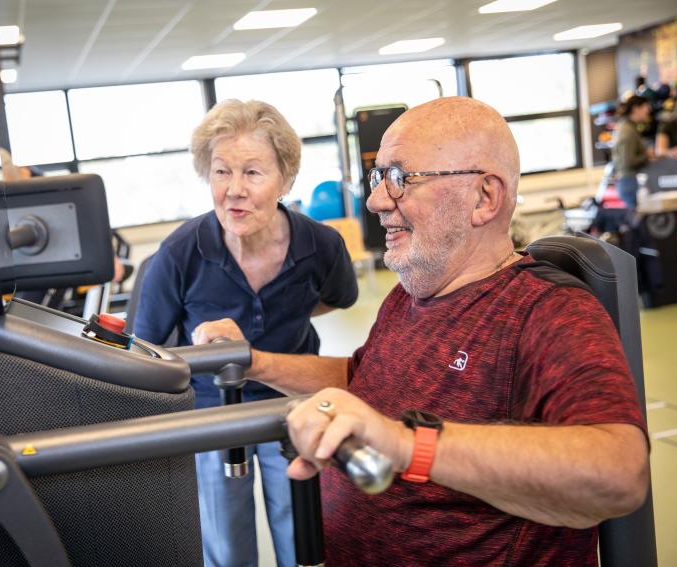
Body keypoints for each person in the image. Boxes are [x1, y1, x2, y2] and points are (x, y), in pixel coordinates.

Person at [193, 97, 649, 566]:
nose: (374, 201)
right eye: (378, 178)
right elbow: (365, 378)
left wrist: (406, 444)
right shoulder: (408, 296)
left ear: (484, 197)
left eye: (400, 179)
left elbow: (620, 470)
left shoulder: (545, 311)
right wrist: (256, 362)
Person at [132, 99, 358, 567]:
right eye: (221, 172)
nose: (234, 190)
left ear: (286, 179)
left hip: (291, 401)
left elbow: (340, 297)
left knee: (304, 539)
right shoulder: (179, 253)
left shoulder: (320, 245)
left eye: (253, 173)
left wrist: (285, 321)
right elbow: (146, 350)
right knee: (228, 548)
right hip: (213, 414)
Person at [611, 95, 652, 210]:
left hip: (629, 181)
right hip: (630, 182)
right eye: (645, 107)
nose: (648, 110)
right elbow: (628, 162)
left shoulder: (628, 127)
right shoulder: (627, 131)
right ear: (635, 108)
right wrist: (647, 156)